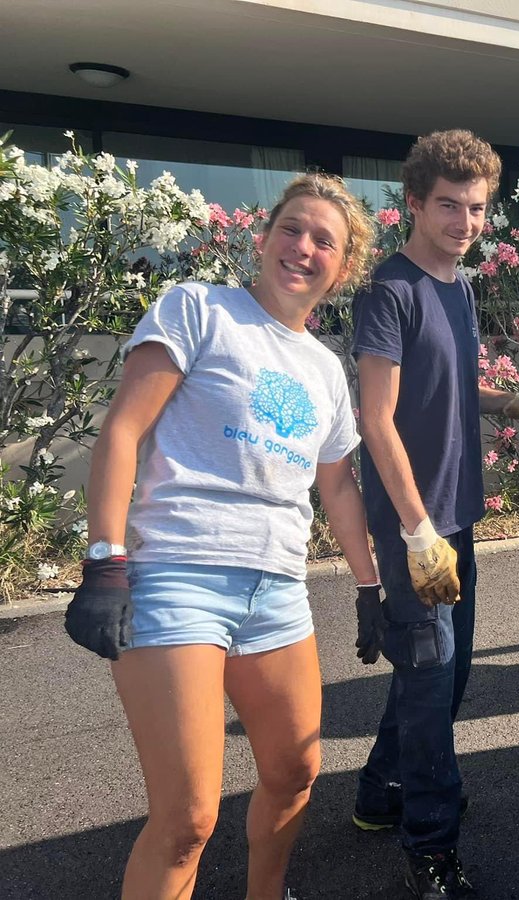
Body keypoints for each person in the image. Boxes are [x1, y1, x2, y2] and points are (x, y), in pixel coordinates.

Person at [63, 173, 382, 900]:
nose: (302, 247)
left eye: (323, 240)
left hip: (277, 589)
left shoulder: (327, 371)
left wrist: (369, 588)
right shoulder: (198, 309)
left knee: (296, 774)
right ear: (263, 237)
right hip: (177, 576)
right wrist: (105, 561)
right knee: (186, 820)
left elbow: (336, 485)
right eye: (291, 229)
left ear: (342, 268)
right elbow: (124, 430)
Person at [350, 129, 519, 900]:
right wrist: (415, 531)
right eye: (449, 207)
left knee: (446, 672)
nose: (466, 223)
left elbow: (455, 393)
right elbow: (377, 419)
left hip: (455, 520)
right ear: (413, 204)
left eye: (476, 209)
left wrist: (516, 402)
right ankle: (431, 848)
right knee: (434, 684)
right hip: (417, 531)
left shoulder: (460, 288)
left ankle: (378, 794)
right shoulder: (389, 292)